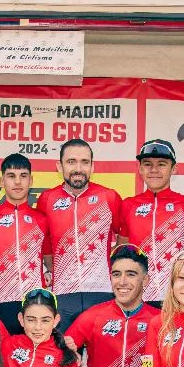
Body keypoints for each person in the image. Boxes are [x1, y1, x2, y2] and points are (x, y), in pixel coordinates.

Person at [36, 139, 122, 330]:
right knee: (63, 356)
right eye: (71, 161)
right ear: (59, 166)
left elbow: (124, 238)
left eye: (85, 162)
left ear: (92, 166)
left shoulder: (109, 196)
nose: (78, 168)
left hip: (101, 291)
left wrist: (109, 265)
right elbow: (45, 246)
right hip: (63, 293)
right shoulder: (46, 199)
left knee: (101, 357)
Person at [119, 139, 184, 307]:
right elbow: (123, 251)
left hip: (178, 296)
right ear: (140, 169)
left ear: (174, 169)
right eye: (148, 164)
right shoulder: (128, 205)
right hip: (138, 297)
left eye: (162, 164)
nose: (154, 170)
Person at [0, 154, 50, 336]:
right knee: (0, 361)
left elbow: (51, 259)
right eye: (11, 176)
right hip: (0, 302)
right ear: (1, 181)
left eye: (23, 176)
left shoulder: (42, 219)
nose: (17, 182)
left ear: (31, 180)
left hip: (35, 303)